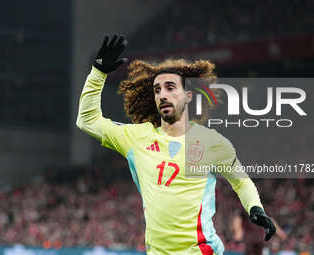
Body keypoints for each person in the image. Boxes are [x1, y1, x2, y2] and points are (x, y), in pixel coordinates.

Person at [76, 34, 276, 255]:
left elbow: (242, 182)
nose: (162, 94)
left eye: (170, 88)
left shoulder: (212, 142)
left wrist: (255, 208)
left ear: (188, 95)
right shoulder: (136, 137)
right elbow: (87, 120)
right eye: (157, 90)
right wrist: (97, 74)